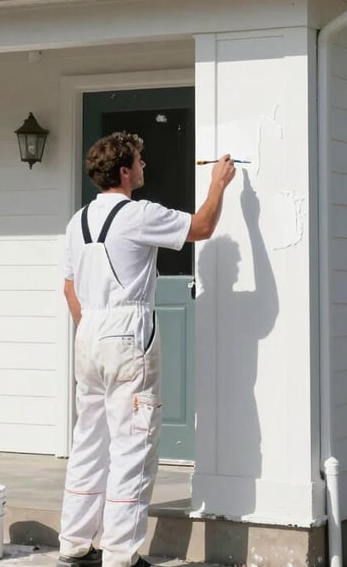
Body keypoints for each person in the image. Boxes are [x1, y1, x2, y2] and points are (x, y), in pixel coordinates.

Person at [58, 131, 236, 567]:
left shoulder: (76, 221)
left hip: (88, 332)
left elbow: (69, 289)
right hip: (125, 327)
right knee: (133, 443)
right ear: (123, 171)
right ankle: (120, 555)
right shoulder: (137, 214)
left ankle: (75, 545)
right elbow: (203, 227)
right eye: (138, 160)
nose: (144, 167)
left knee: (89, 442)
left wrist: (96, 330)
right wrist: (218, 184)